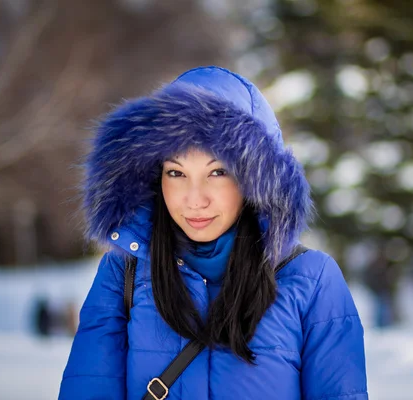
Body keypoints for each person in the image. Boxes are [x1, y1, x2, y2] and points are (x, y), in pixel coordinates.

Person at [58, 66, 368, 399]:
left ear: (255, 179)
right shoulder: (123, 275)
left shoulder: (312, 281)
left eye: (218, 171)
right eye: (176, 172)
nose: (194, 199)